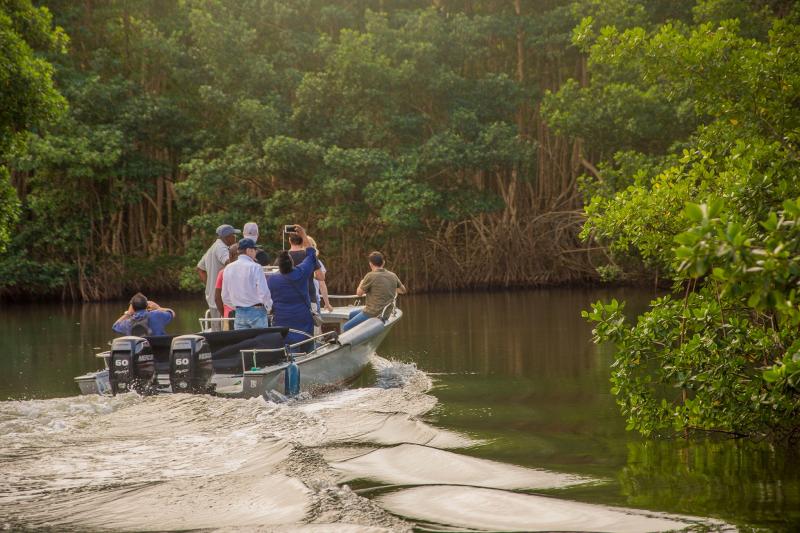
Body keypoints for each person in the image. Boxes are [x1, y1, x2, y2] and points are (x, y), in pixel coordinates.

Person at [267, 226, 318, 348]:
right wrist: (303, 234)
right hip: (303, 322)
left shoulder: (272, 280)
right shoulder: (300, 273)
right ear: (292, 263)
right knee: (309, 350)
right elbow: (311, 254)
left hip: (283, 324)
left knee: (288, 353)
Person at [342, 251, 406, 332]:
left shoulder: (370, 276)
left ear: (370, 264)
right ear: (383, 262)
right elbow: (403, 291)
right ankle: (360, 333)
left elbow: (359, 293)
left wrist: (361, 282)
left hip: (372, 313)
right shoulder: (393, 275)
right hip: (386, 313)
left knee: (345, 327)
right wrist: (390, 286)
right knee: (352, 315)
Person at [221, 238, 272, 330]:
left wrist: (237, 306)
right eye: (254, 250)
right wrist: (268, 307)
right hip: (257, 311)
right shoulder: (256, 267)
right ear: (249, 250)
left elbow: (224, 296)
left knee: (242, 343)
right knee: (260, 343)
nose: (256, 252)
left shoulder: (228, 268)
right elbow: (264, 292)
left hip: (239, 313)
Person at [197, 224, 240, 320]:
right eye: (234, 235)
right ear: (228, 237)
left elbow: (200, 269)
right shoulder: (221, 248)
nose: (235, 238)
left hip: (213, 296)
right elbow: (230, 263)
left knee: (216, 327)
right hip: (220, 299)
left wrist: (210, 285)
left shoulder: (213, 247)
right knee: (222, 328)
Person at [214, 244, 239, 327]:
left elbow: (217, 298)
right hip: (246, 314)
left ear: (230, 255)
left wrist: (224, 314)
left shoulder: (222, 272)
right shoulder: (249, 270)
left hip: (228, 314)